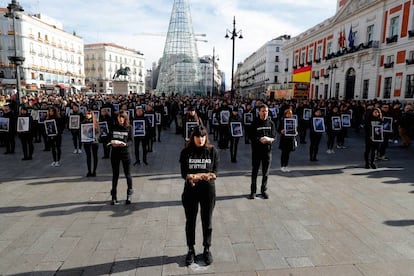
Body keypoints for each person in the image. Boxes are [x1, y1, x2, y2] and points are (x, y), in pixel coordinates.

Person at [179, 125, 219, 266]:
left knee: (207, 219)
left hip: (208, 190)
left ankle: (206, 248)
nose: (200, 139)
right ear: (193, 137)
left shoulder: (212, 151)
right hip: (191, 190)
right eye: (197, 136)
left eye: (203, 136)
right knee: (190, 220)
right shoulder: (186, 152)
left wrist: (210, 176)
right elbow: (184, 173)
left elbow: (215, 171)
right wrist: (192, 177)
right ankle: (190, 248)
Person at [249, 104, 276, 199]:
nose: (265, 113)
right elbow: (251, 136)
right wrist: (259, 139)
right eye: (263, 111)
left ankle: (263, 190)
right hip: (256, 151)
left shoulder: (271, 123)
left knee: (266, 173)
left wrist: (270, 139)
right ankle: (253, 191)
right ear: (259, 112)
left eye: (266, 111)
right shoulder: (254, 123)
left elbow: (274, 136)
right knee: (255, 171)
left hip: (267, 151)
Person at [109, 110, 133, 205]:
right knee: (115, 175)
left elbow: (131, 140)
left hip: (125, 153)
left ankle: (129, 195)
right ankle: (114, 196)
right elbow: (109, 138)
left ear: (125, 118)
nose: (120, 119)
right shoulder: (113, 127)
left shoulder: (129, 127)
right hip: (115, 153)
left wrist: (125, 144)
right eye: (119, 117)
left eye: (122, 117)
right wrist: (112, 143)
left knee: (128, 174)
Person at [82, 110, 99, 177]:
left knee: (95, 156)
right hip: (86, 141)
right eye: (86, 114)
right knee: (88, 156)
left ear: (92, 114)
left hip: (94, 141)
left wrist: (95, 137)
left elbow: (98, 132)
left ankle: (94, 171)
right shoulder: (83, 122)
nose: (87, 115)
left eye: (89, 114)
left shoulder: (95, 122)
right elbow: (82, 132)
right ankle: (89, 171)